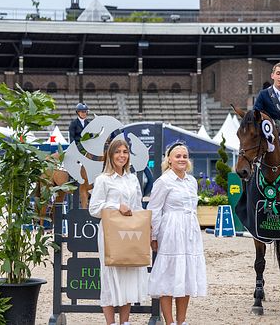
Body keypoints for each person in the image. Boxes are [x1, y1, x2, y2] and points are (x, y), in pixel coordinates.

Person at [88, 138, 149, 325]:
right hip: (110, 234)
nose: (122, 155)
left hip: (130, 233)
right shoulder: (103, 180)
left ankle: (125, 322)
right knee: (109, 277)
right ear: (110, 155)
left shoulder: (133, 179)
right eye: (118, 152)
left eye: (125, 152)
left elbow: (137, 206)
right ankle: (110, 323)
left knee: (128, 276)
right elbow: (94, 208)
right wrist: (116, 206)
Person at [147, 142, 207, 325]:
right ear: (169, 160)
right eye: (178, 156)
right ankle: (170, 322)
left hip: (190, 230)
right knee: (168, 275)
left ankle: (182, 322)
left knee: (186, 275)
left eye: (184, 156)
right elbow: (154, 210)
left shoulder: (191, 181)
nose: (182, 159)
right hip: (171, 230)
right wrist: (154, 236)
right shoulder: (164, 181)